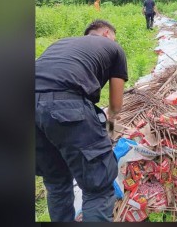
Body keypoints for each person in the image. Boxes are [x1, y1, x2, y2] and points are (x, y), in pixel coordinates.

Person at [35, 19, 128, 222]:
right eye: (114, 36)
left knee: (56, 182)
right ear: (105, 34)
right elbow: (115, 104)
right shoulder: (113, 46)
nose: (114, 40)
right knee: (98, 185)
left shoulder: (61, 43)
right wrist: (109, 129)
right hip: (66, 107)